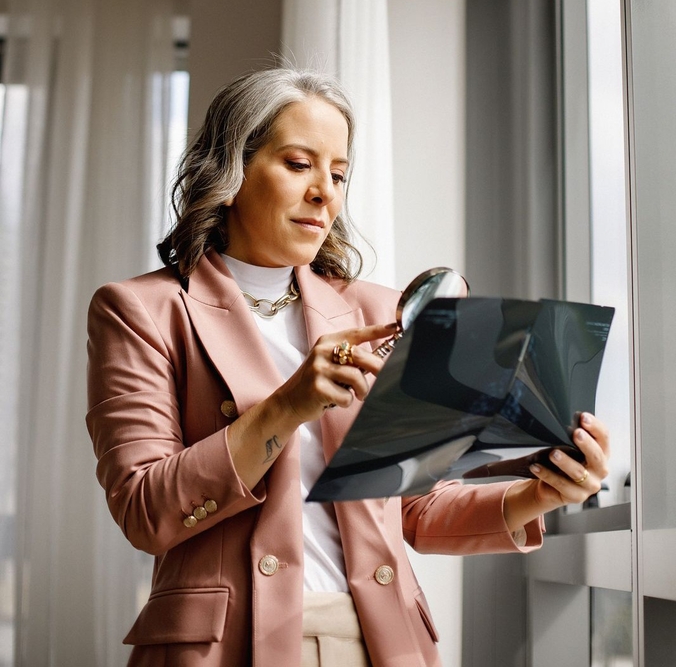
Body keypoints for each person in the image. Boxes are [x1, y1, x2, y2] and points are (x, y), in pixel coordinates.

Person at [86, 67, 610, 667]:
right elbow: (145, 510)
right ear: (230, 172)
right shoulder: (140, 311)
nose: (324, 192)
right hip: (223, 647)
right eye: (298, 164)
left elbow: (412, 506)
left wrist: (540, 492)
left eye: (338, 174)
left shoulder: (381, 311)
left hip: (378, 643)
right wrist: (287, 405)